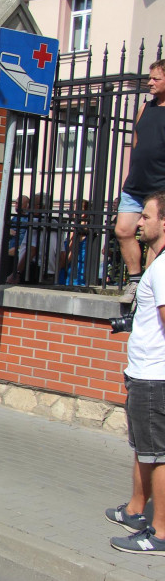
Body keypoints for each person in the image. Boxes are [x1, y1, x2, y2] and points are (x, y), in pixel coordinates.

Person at [107, 190, 165, 555]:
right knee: (145, 450)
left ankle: (159, 533)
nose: (137, 222)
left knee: (157, 455)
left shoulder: (162, 269)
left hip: (154, 377)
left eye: (145, 216)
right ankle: (135, 511)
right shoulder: (157, 264)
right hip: (145, 373)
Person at [115, 59, 165, 304]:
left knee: (155, 241)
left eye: (156, 78)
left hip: (160, 187)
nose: (150, 82)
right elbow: (136, 139)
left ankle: (149, 290)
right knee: (123, 230)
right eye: (150, 77)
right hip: (135, 184)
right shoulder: (145, 107)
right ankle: (135, 282)